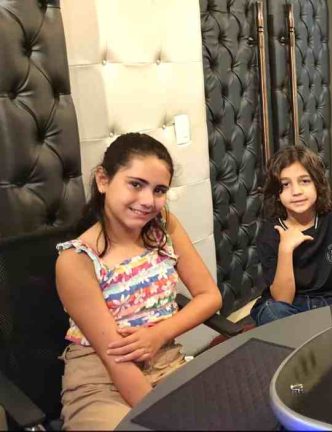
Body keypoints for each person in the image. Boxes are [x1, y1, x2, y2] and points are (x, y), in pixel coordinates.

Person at [55, 133, 222, 429]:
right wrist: (163, 418)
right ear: (103, 180)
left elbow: (210, 296)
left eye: (159, 190)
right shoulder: (76, 260)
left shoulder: (164, 226)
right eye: (135, 184)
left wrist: (158, 335)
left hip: (166, 362)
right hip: (103, 380)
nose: (147, 201)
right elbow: (115, 359)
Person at [251, 145, 332, 326]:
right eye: (285, 184)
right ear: (277, 193)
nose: (296, 191)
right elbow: (283, 299)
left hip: (326, 302)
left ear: (317, 184)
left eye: (304, 181)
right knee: (273, 313)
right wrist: (285, 250)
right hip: (284, 305)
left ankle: (308, 337)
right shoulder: (270, 231)